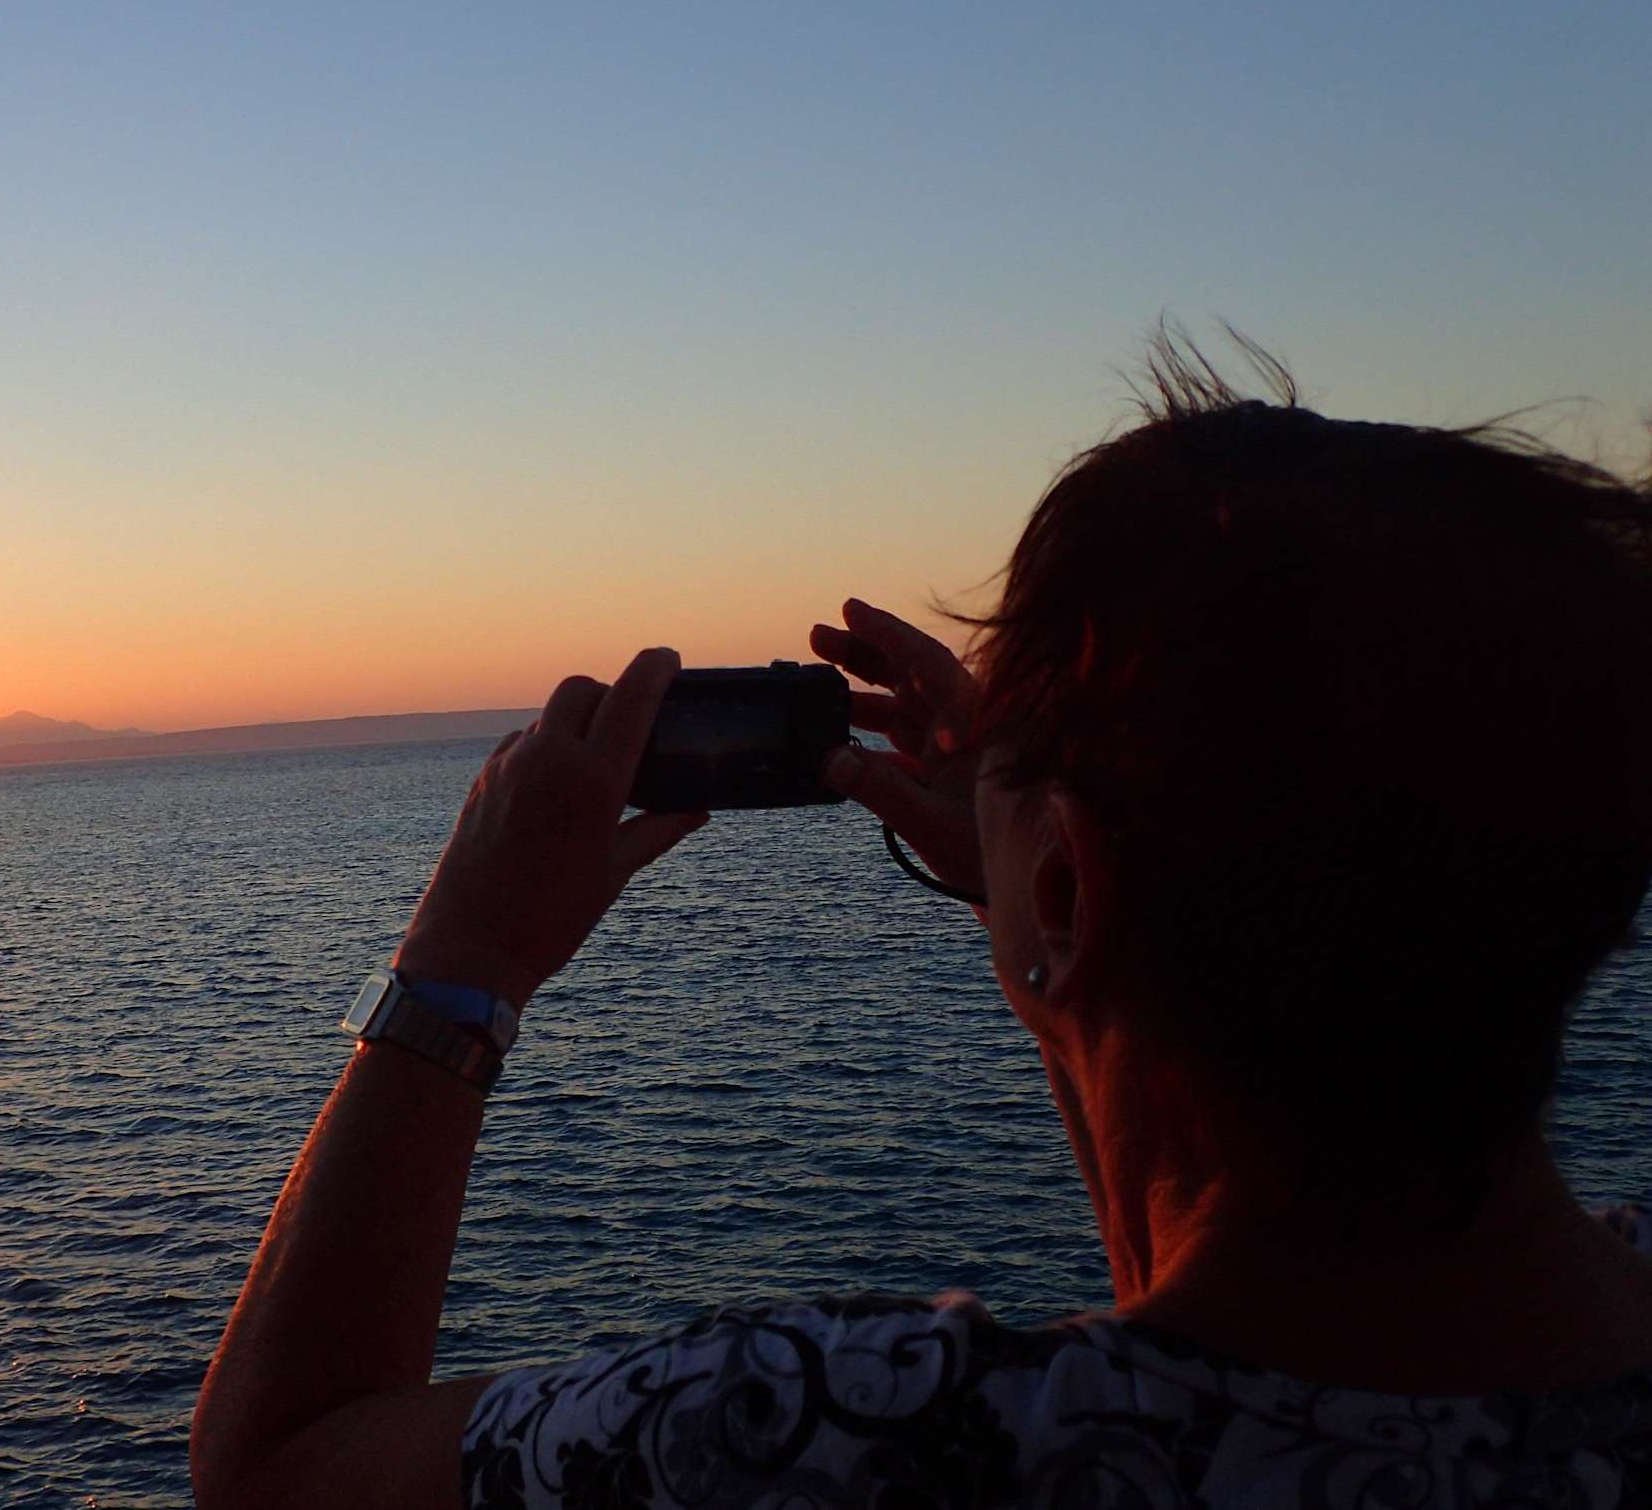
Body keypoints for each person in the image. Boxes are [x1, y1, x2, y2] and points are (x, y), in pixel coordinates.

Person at [188, 335, 1652, 1509]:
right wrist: (1050, 905)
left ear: (1069, 887)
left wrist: (466, 957)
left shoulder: (850, 1441)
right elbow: (1211, 1267)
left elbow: (278, 1467)